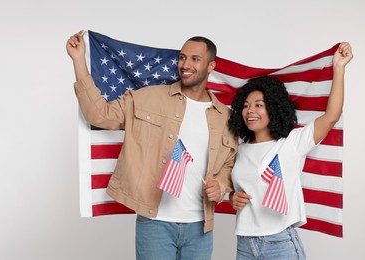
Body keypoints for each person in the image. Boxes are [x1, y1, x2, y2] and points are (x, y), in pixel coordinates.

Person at [66, 31, 238, 260]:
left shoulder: (224, 116)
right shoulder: (148, 97)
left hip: (200, 228)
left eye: (195, 59)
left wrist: (221, 185)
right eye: (182, 57)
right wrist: (79, 60)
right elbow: (100, 115)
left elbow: (228, 164)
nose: (185, 64)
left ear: (211, 66)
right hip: (155, 224)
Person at [227, 42, 353, 260]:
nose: (250, 111)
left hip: (280, 243)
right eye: (246, 105)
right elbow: (234, 188)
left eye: (259, 105)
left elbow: (331, 116)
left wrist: (339, 68)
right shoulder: (240, 149)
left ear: (274, 108)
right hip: (245, 243)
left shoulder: (292, 142)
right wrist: (231, 197)